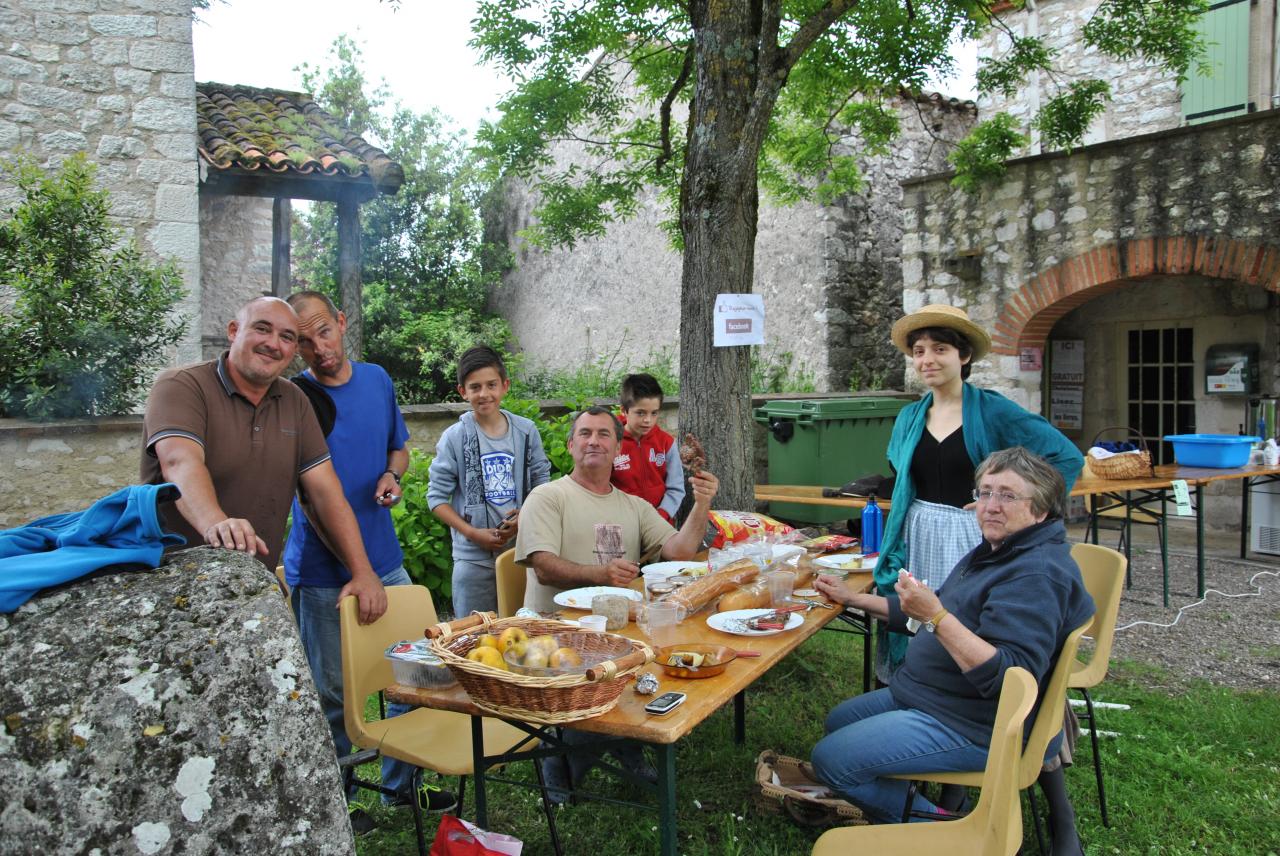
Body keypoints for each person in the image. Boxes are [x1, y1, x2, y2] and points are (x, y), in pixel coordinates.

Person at [811, 447, 1094, 854]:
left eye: (1008, 496)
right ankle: (909, 798)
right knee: (838, 722)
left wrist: (938, 617)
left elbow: (1009, 678)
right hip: (934, 697)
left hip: (974, 723)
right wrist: (853, 599)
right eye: (985, 493)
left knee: (832, 760)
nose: (991, 507)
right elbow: (927, 612)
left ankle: (946, 828)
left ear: (1042, 510)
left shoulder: (1034, 574)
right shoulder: (1000, 550)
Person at [281, 290, 453, 818]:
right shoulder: (295, 399)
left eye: (324, 332)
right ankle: (341, 804)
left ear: (341, 320)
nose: (318, 349)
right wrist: (359, 573)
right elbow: (310, 501)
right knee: (333, 696)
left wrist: (391, 475)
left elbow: (397, 447)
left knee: (413, 674)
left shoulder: (377, 379)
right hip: (322, 570)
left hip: (386, 559)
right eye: (304, 342)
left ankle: (405, 782)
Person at [140, 296, 387, 625]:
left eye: (287, 337)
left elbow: (325, 492)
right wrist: (217, 523)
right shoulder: (182, 385)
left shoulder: (294, 400)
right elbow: (179, 463)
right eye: (262, 329)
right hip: (175, 587)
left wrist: (363, 572)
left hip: (251, 590)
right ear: (233, 331)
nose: (274, 344)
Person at [874, 304, 1083, 679]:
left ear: (963, 355)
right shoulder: (908, 417)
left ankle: (965, 695)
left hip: (971, 534)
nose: (928, 360)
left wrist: (1030, 509)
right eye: (919, 352)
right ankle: (914, 685)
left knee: (962, 620)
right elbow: (900, 471)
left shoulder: (993, 412)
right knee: (918, 615)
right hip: (920, 532)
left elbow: (1065, 456)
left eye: (940, 349)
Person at [515, 406, 718, 612]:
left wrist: (702, 502)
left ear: (618, 448)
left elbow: (679, 553)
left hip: (620, 627)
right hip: (554, 630)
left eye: (604, 434)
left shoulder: (636, 506)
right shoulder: (546, 497)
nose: (593, 441)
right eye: (585, 433)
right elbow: (543, 569)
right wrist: (601, 574)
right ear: (570, 445)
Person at [428, 346, 551, 617]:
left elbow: (542, 484)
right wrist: (472, 533)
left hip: (520, 555)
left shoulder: (526, 432)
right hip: (472, 561)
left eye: (491, 385)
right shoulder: (454, 437)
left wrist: (525, 516)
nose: (484, 394)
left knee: (523, 634)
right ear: (463, 391)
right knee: (473, 639)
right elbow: (436, 498)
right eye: (475, 387)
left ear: (505, 386)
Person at [610, 373, 684, 522]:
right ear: (623, 410)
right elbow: (601, 488)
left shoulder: (667, 443)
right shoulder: (611, 442)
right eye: (640, 413)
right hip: (622, 525)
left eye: (654, 413)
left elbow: (676, 488)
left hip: (661, 525)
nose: (648, 420)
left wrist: (661, 516)